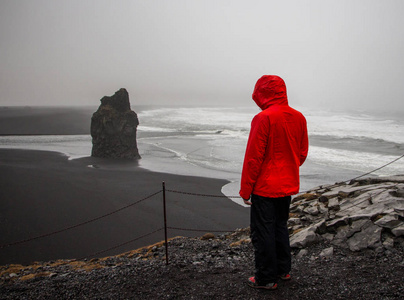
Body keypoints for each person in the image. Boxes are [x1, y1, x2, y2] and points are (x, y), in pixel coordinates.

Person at [239, 75, 309, 290]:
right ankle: (283, 270)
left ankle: (266, 279)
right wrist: (288, 168)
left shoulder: (264, 118)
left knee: (263, 231)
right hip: (286, 185)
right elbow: (302, 153)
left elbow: (254, 158)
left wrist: (245, 190)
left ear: (261, 93)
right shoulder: (298, 117)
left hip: (265, 187)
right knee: (280, 227)